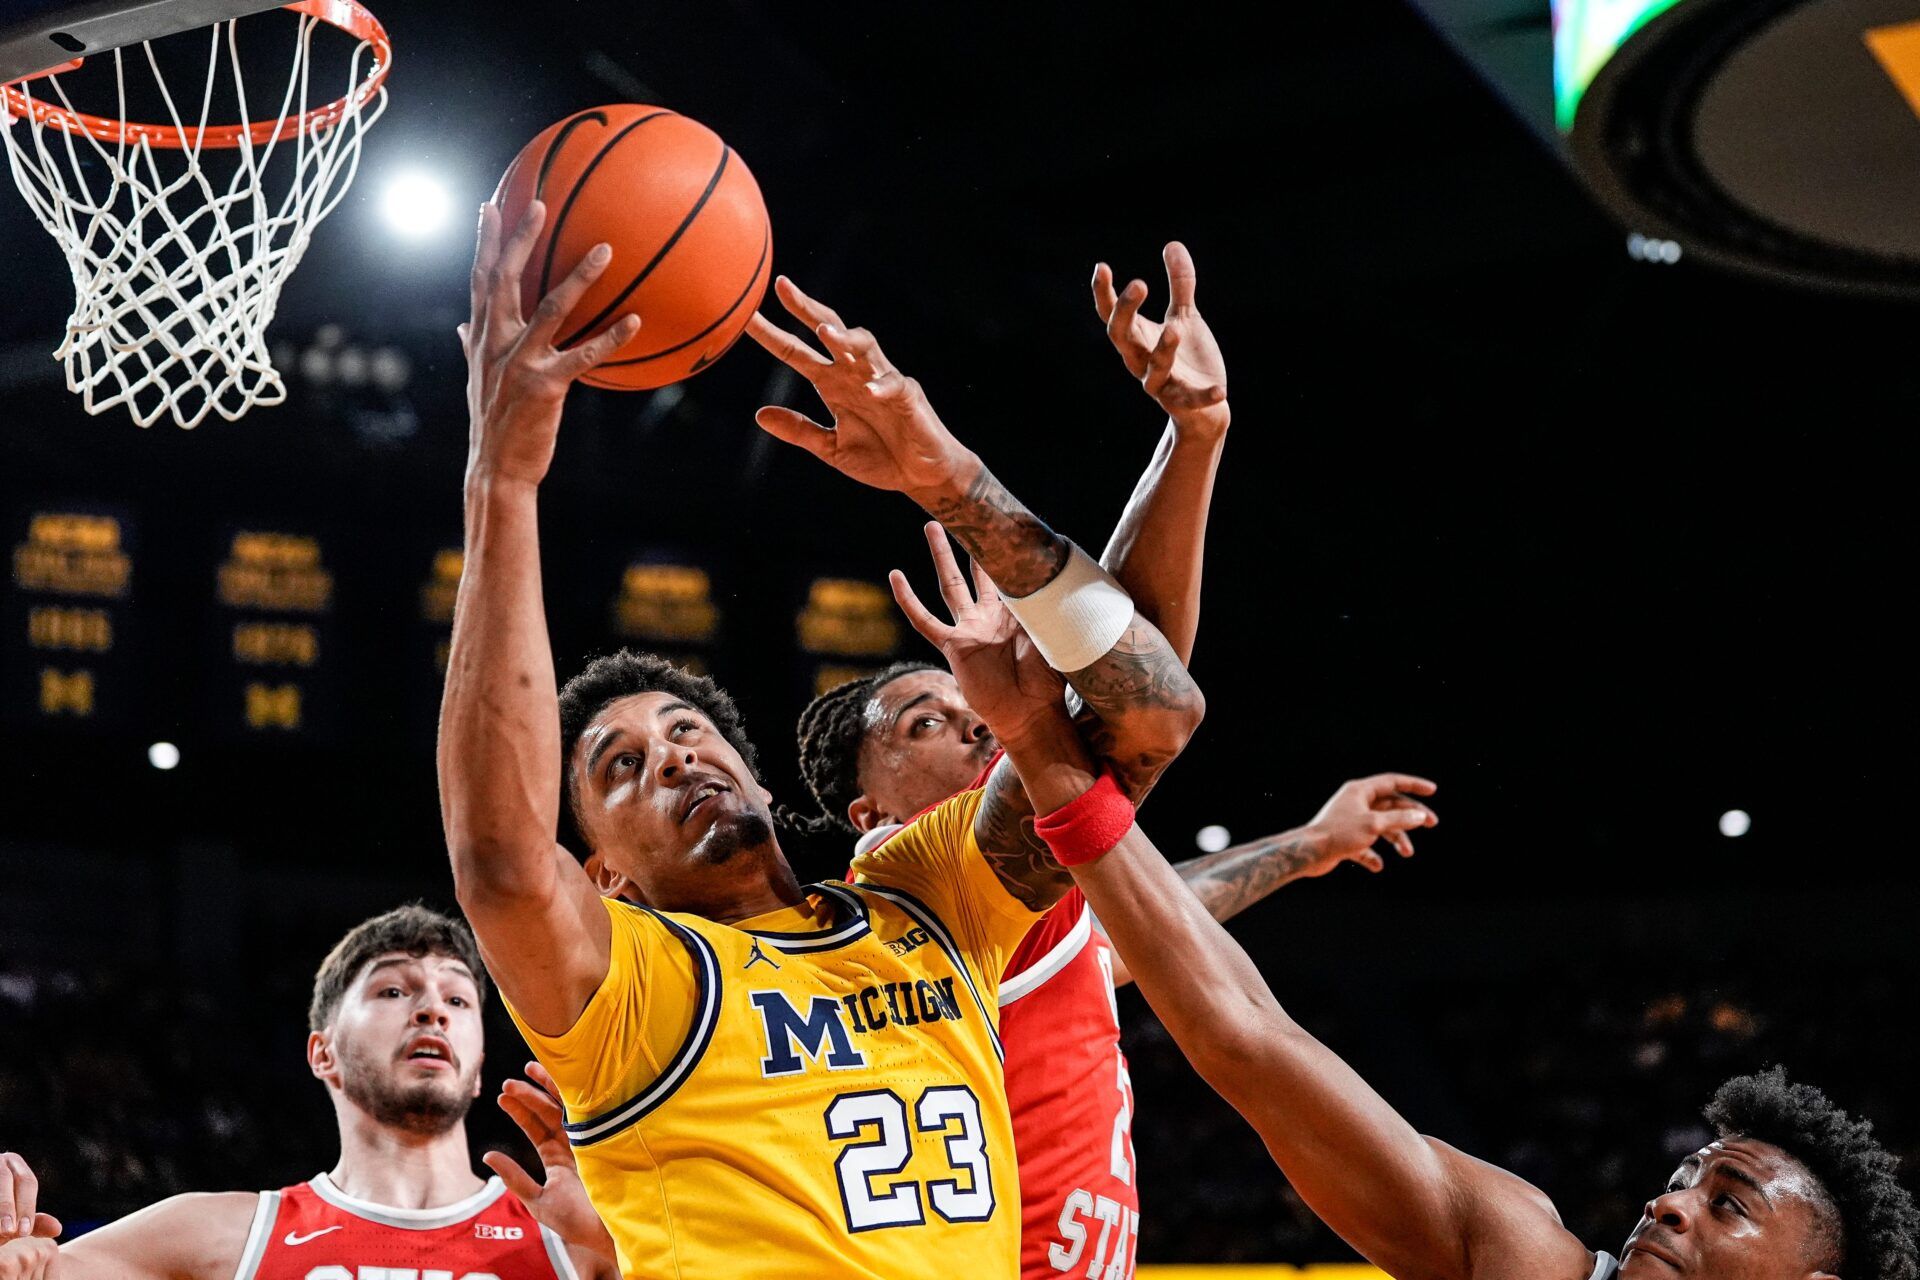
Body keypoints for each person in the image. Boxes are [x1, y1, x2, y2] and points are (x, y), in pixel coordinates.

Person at [440, 203, 1200, 1279]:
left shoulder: (922, 891)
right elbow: (502, 863)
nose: (672, 756)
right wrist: (501, 484)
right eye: (623, 766)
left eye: (689, 730)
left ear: (751, 770)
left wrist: (956, 484)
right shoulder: (631, 992)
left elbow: (1143, 712)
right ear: (602, 870)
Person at [888, 551, 1920, 1280]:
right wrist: (1043, 746)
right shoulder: (1524, 1252)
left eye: (1726, 1202)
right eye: (1688, 1178)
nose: (1670, 1200)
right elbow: (1247, 1039)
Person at [781, 245, 1437, 1279]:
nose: (975, 723)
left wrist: (1306, 846)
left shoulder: (1022, 913)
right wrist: (963, 486)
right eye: (922, 721)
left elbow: (1132, 917)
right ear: (868, 816)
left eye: (972, 706)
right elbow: (1141, 705)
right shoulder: (925, 885)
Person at [0, 906, 613, 1280]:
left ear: (478, 1065)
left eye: (456, 998)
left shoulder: (580, 1243)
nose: (432, 1010)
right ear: (324, 1053)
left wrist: (632, 1243)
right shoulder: (219, 1234)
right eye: (393, 991)